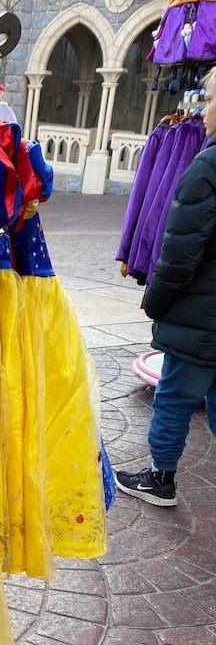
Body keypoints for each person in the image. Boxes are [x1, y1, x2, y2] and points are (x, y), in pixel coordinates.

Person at [116, 65, 216, 507]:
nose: (204, 109)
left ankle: (161, 479)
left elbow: (179, 252)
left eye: (210, 99)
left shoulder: (208, 167)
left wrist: (155, 301)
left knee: (174, 397)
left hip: (202, 316)